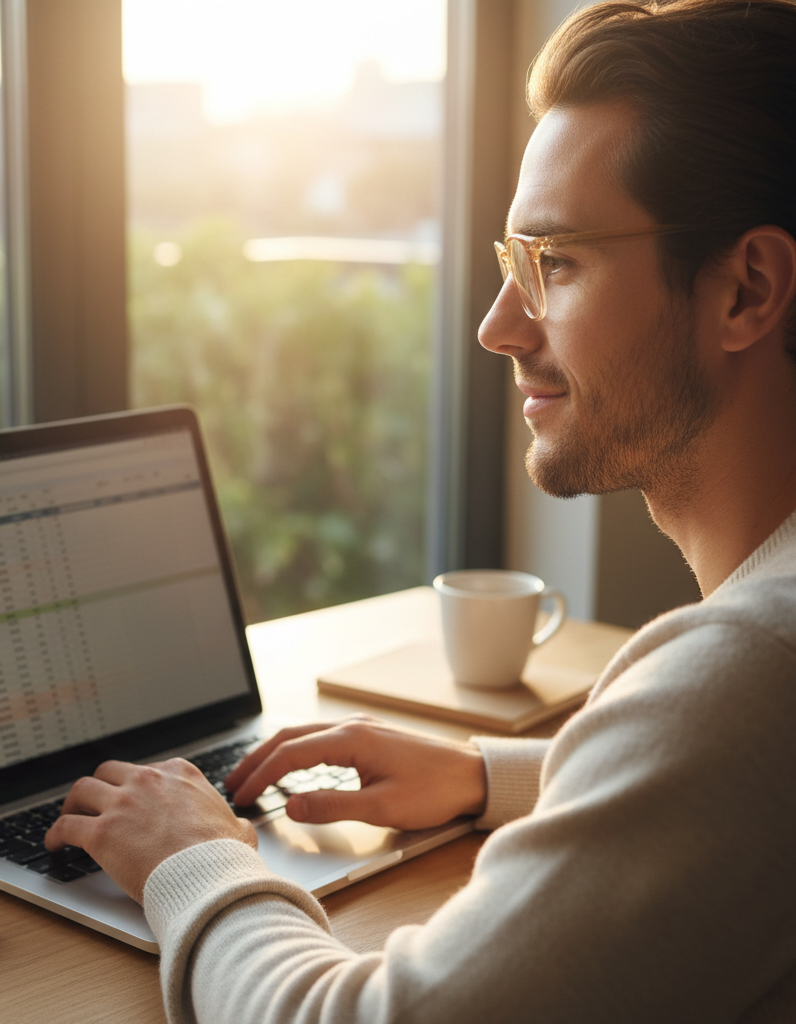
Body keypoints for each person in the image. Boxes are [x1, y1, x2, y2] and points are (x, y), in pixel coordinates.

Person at [45, 1, 796, 1020]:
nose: (496, 327)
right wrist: (492, 776)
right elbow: (727, 791)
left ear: (747, 290)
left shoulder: (749, 669)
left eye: (556, 264)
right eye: (507, 267)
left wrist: (191, 859)